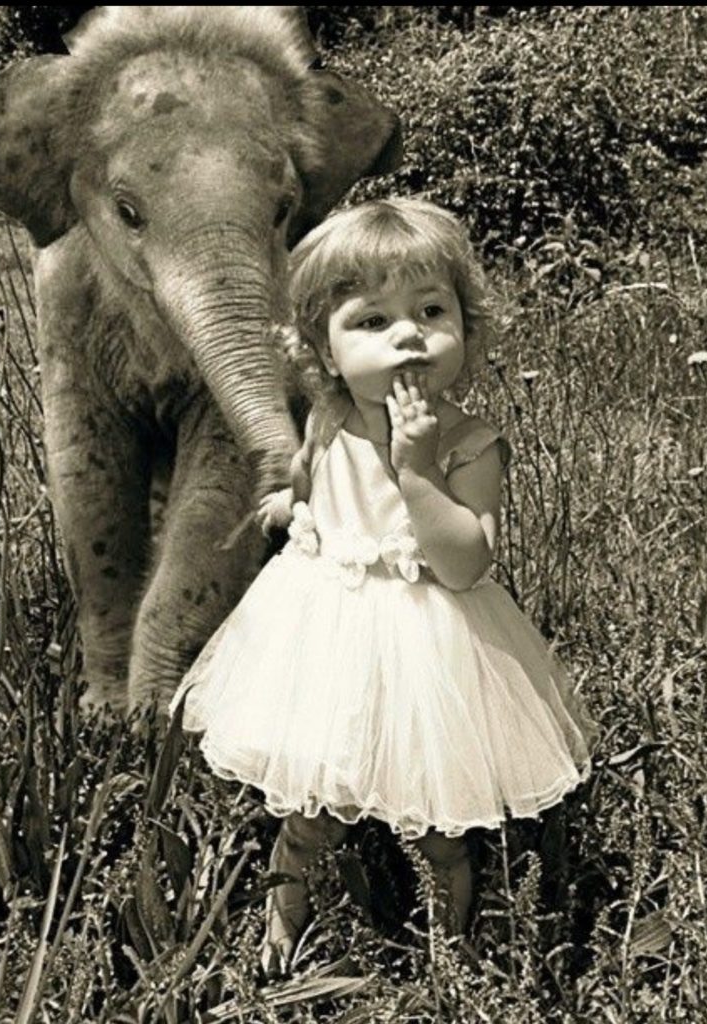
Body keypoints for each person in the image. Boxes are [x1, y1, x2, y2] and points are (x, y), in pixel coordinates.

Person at [170, 197, 596, 977]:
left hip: (430, 643)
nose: (408, 334)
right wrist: (291, 502)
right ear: (326, 355)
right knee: (308, 811)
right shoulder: (329, 418)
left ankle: (450, 956)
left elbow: (466, 562)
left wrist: (416, 470)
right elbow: (311, 474)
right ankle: (278, 936)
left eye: (431, 310)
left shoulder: (468, 445)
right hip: (321, 628)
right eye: (372, 320)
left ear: (467, 330)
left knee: (440, 826)